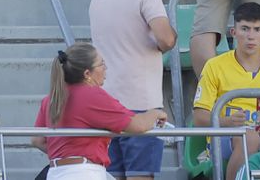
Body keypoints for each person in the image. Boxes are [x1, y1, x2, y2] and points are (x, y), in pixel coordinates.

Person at [90, 0, 177, 180]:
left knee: (112, 175)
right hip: (141, 103)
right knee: (140, 176)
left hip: (106, 102)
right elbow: (167, 39)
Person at [31, 42, 167, 180]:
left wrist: (66, 156)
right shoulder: (93, 96)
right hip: (84, 173)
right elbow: (138, 125)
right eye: (101, 64)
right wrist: (155, 113)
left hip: (56, 173)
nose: (105, 68)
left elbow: (37, 140)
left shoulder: (51, 98)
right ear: (87, 73)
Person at [193, 2, 260, 180]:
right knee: (249, 138)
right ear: (234, 33)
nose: (251, 36)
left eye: (257, 29)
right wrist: (226, 121)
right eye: (245, 29)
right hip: (226, 137)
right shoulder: (215, 65)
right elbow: (199, 118)